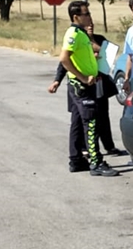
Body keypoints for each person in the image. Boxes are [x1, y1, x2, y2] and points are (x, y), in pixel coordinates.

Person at [59, 0, 120, 177]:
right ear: (76, 17)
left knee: (79, 122)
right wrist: (83, 78)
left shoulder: (82, 33)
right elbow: (64, 59)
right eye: (86, 14)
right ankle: (96, 162)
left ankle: (76, 160)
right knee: (91, 123)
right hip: (82, 86)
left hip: (89, 84)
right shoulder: (73, 34)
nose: (89, 17)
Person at [49, 17, 123, 158]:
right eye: (88, 25)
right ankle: (84, 149)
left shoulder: (99, 39)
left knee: (102, 115)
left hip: (99, 82)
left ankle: (109, 146)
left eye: (92, 25)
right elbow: (64, 62)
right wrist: (57, 80)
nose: (90, 26)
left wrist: (97, 51)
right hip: (80, 85)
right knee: (81, 119)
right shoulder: (77, 39)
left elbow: (108, 54)